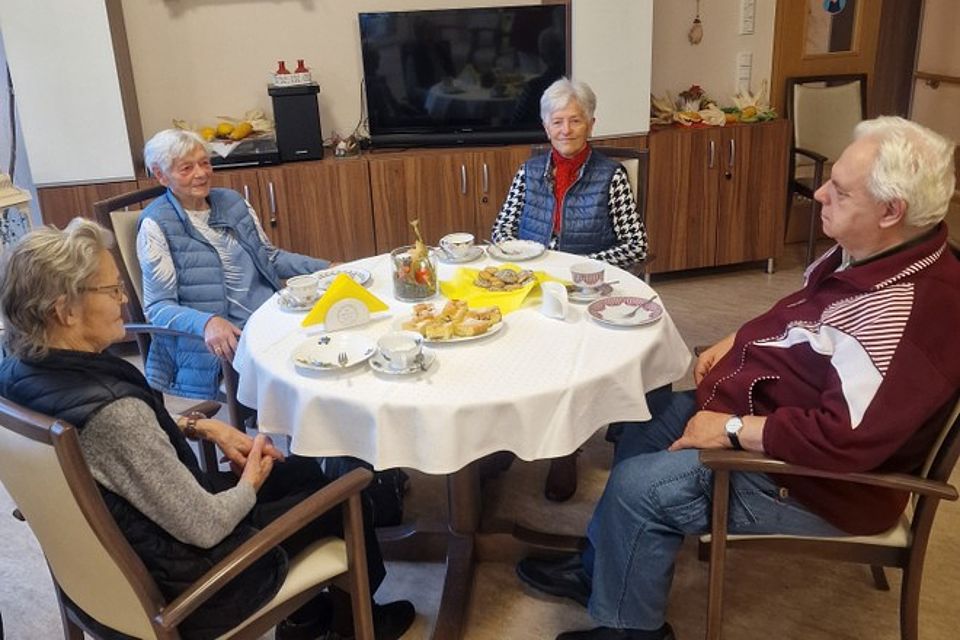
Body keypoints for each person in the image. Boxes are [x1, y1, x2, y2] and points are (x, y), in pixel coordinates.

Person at [516, 116, 960, 640]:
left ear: (892, 211)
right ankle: (605, 566)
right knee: (641, 419)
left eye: (839, 191)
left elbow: (845, 441)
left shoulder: (901, 314)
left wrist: (730, 431)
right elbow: (805, 315)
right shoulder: (881, 252)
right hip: (767, 413)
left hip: (813, 481)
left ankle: (630, 629)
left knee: (640, 487)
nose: (818, 193)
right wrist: (741, 338)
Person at [0, 219, 415, 640]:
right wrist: (249, 482)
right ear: (64, 310)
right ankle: (359, 627)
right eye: (111, 291)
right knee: (347, 496)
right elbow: (206, 527)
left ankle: (307, 620)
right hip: (199, 588)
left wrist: (199, 427)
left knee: (301, 472)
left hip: (116, 564)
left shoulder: (18, 373)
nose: (125, 300)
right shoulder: (117, 415)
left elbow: (106, 447)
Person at [492, 77, 649, 502]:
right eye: (557, 121)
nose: (566, 130)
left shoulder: (610, 176)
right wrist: (520, 258)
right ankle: (507, 437)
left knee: (565, 362)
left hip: (585, 293)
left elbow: (637, 245)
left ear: (591, 124)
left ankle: (565, 449)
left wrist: (584, 268)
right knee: (503, 348)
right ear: (545, 127)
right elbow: (501, 231)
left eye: (575, 120)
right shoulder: (528, 173)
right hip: (529, 286)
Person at [137, 128, 331, 401]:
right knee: (311, 374)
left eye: (205, 162)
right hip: (228, 340)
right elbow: (158, 308)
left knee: (337, 338)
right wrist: (207, 323)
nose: (201, 173)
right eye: (186, 168)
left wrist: (327, 267)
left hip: (272, 316)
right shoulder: (155, 225)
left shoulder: (231, 202)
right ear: (160, 174)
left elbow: (270, 257)